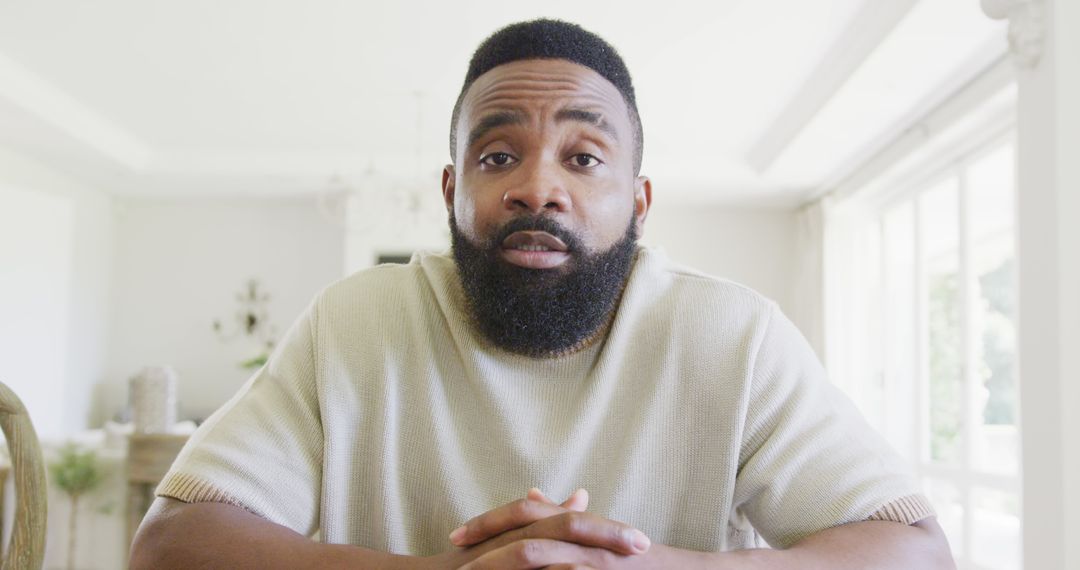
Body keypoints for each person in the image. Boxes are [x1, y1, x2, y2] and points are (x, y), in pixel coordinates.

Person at [131, 19, 955, 569]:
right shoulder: (354, 323)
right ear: (451, 191)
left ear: (639, 198)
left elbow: (916, 550)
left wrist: (637, 563)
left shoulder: (731, 335)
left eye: (584, 156)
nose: (537, 188)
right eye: (497, 157)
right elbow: (170, 542)